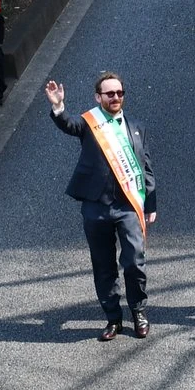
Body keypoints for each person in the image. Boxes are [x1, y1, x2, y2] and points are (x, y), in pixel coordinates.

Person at [46, 72, 155, 340]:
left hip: (129, 205)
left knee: (134, 261)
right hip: (96, 206)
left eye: (119, 93)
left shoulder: (137, 127)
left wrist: (150, 203)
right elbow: (68, 124)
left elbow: (146, 168)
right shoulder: (88, 123)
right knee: (103, 264)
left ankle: (138, 311)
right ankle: (113, 319)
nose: (115, 97)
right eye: (110, 94)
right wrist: (58, 107)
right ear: (99, 97)